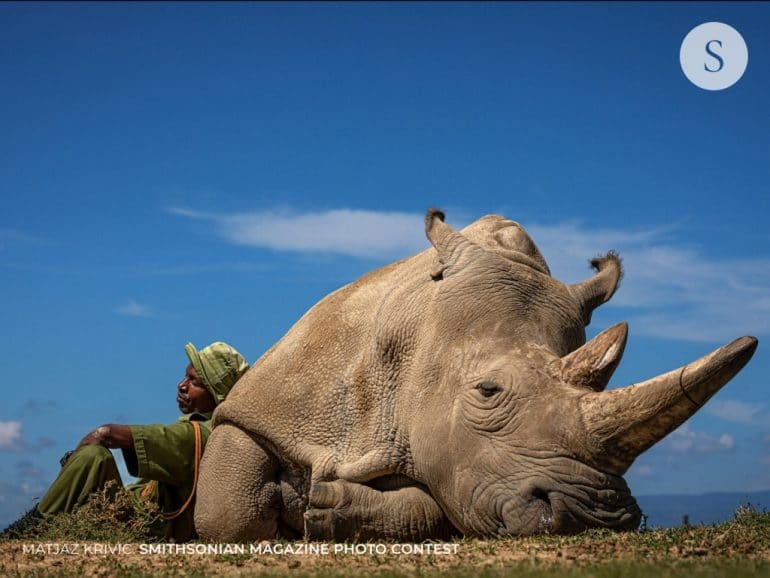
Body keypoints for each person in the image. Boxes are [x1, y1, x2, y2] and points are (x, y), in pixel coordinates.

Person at [2, 341, 249, 541]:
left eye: (194, 382)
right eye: (185, 377)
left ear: (215, 396)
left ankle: (26, 531)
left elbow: (107, 433)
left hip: (143, 526)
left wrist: (78, 457)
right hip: (137, 514)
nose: (181, 386)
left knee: (94, 456)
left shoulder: (196, 435)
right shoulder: (212, 431)